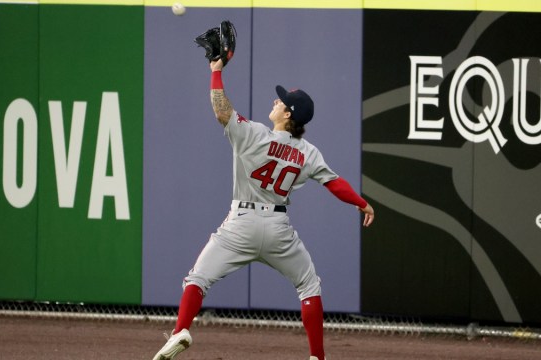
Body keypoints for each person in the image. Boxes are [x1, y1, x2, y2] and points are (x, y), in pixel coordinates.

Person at [152, 58, 375, 360]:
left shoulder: (254, 133)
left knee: (198, 279)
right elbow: (334, 184)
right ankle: (318, 358)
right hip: (277, 228)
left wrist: (216, 72)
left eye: (281, 101)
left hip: (240, 223)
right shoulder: (307, 152)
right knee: (309, 287)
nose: (275, 100)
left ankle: (180, 330)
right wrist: (361, 204)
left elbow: (221, 110)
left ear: (287, 114)